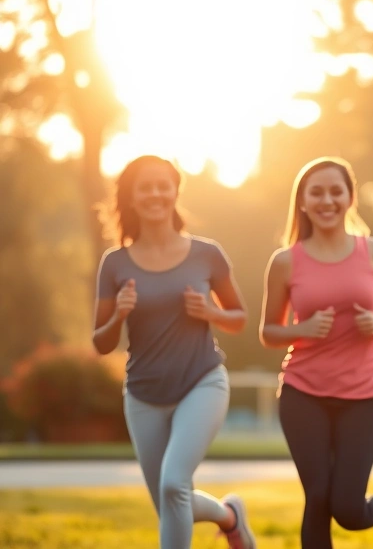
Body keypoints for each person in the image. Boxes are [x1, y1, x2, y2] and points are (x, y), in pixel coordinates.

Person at [258, 157, 373, 549]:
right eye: (316, 192)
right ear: (302, 201)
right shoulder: (285, 262)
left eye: (336, 191)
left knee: (348, 509)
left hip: (362, 396)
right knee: (317, 498)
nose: (327, 200)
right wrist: (300, 330)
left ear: (350, 197)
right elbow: (268, 331)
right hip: (303, 392)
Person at [92, 155, 256, 549]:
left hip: (202, 382)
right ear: (130, 198)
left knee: (173, 485)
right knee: (170, 502)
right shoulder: (114, 263)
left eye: (162, 185)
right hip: (143, 395)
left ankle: (229, 519)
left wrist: (211, 312)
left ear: (175, 191)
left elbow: (240, 318)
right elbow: (101, 343)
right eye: (144, 187)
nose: (155, 194)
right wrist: (119, 314)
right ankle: (231, 518)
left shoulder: (206, 253)